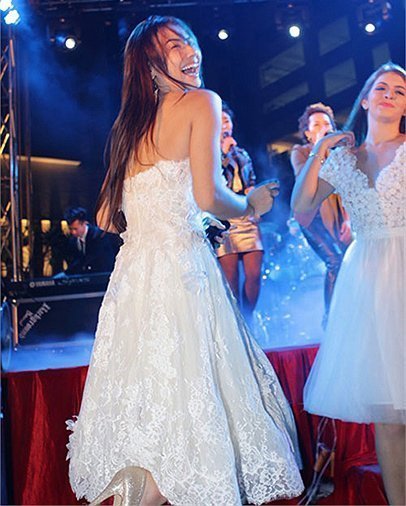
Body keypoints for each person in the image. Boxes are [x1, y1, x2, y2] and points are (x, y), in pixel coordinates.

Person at [67, 15, 303, 506]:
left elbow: (107, 216)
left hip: (133, 280)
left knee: (153, 399)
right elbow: (210, 194)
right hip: (181, 273)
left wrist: (159, 221)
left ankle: (142, 484)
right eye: (174, 45)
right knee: (192, 397)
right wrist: (250, 205)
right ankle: (155, 489)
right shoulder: (202, 102)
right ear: (149, 65)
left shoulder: (128, 127)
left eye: (190, 41)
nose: (190, 51)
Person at [291, 62, 405, 505]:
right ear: (366, 99)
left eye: (400, 90)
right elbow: (301, 206)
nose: (390, 94)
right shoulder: (343, 160)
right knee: (389, 417)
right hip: (368, 284)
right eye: (382, 87)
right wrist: (321, 150)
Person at [290, 103, 352, 327]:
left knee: (348, 262)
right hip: (311, 216)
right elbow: (304, 181)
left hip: (337, 214)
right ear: (307, 132)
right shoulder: (300, 152)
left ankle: (346, 314)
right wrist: (320, 149)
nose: (323, 128)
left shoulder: (341, 154)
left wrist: (348, 220)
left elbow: (349, 188)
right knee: (334, 260)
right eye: (316, 125)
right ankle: (330, 320)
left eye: (326, 124)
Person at [216, 103, 265, 322]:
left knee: (254, 275)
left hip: (246, 216)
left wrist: (257, 198)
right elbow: (214, 184)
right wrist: (223, 154)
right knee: (231, 282)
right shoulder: (209, 155)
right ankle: (237, 325)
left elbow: (250, 182)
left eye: (227, 120)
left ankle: (249, 318)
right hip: (224, 220)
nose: (224, 125)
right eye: (219, 121)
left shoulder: (242, 153)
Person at [63, 207, 119, 274]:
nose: (73, 232)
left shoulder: (98, 236)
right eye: (70, 229)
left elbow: (98, 260)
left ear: (84, 223)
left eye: (75, 229)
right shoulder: (72, 241)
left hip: (101, 274)